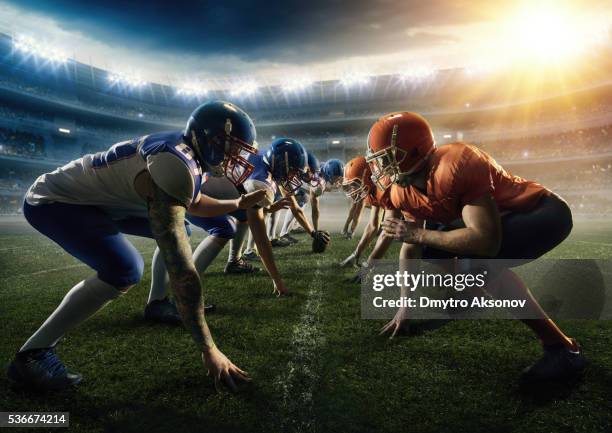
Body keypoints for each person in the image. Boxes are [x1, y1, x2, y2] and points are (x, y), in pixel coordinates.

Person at [8, 101, 266, 391]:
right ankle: (33, 355)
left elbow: (192, 202)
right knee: (125, 268)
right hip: (55, 200)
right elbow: (182, 271)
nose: (237, 158)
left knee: (182, 226)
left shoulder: (187, 154)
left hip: (101, 203)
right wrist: (209, 348)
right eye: (232, 148)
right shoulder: (175, 165)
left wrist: (236, 203)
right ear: (210, 139)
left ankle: (156, 304)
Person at [369, 111, 585, 382]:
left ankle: (563, 348)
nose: (381, 169)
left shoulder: (456, 163)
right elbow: (411, 245)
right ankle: (467, 296)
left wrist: (418, 236)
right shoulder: (403, 191)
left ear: (413, 151)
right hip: (502, 220)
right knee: (434, 243)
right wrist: (405, 306)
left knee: (477, 263)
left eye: (387, 158)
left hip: (542, 212)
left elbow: (485, 242)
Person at [241, 138, 330, 260]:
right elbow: (253, 210)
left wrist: (313, 233)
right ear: (282, 163)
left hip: (241, 191)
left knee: (262, 209)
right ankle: (247, 252)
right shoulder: (261, 179)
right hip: (225, 190)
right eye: (293, 171)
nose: (294, 176)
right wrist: (270, 208)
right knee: (241, 220)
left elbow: (295, 208)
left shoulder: (272, 166)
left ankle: (246, 252)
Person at [339, 155, 393, 268]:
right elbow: (373, 226)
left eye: (355, 184)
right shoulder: (373, 189)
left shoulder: (386, 186)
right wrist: (356, 254)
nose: (353, 189)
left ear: (368, 177)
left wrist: (369, 266)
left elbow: (388, 232)